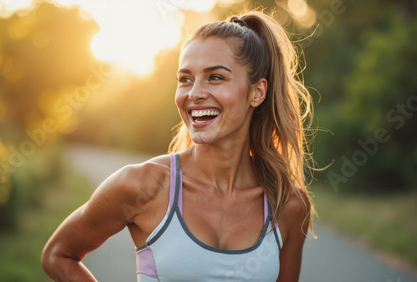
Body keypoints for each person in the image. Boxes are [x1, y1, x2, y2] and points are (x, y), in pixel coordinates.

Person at [42, 9, 316, 282]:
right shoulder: (140, 186)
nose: (194, 94)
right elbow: (58, 254)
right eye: (185, 79)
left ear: (257, 92)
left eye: (215, 77)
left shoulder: (288, 204)